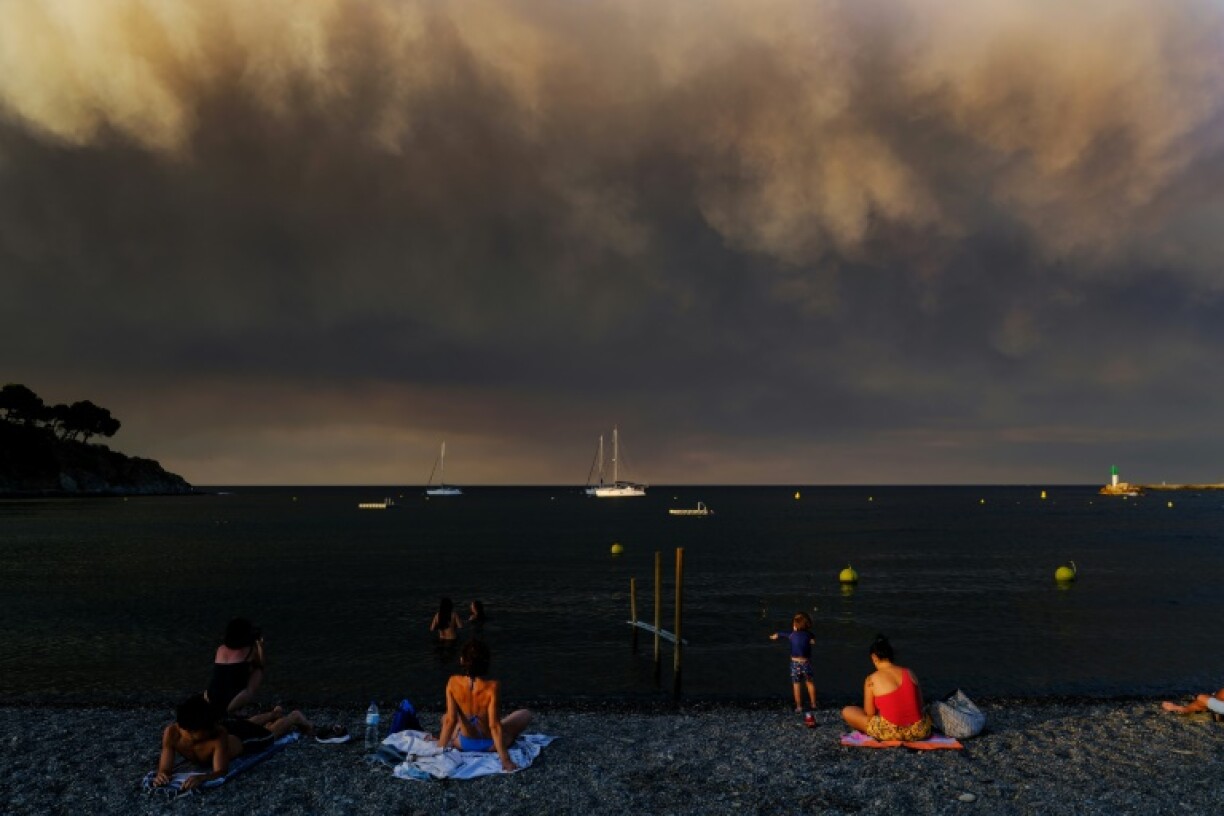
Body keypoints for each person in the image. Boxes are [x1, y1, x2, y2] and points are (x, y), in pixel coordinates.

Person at [149, 694, 315, 791]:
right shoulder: (171, 733)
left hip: (242, 741)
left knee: (270, 735)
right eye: (208, 728)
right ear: (191, 730)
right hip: (233, 729)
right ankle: (273, 714)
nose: (212, 728)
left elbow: (221, 770)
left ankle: (294, 717)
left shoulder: (216, 733)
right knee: (244, 723)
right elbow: (165, 768)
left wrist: (203, 778)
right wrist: (162, 775)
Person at [435, 639, 532, 772]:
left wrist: (438, 751)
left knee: (446, 717)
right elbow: (494, 726)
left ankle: (450, 738)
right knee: (525, 714)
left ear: (462, 660)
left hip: (463, 743)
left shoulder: (452, 682)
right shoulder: (492, 687)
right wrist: (505, 760)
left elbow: (450, 721)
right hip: (490, 745)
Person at [841, 634, 933, 741]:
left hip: (891, 733)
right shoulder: (909, 672)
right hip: (920, 731)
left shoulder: (871, 679)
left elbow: (870, 713)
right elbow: (920, 704)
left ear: (874, 657)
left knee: (847, 711)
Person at [205, 617, 265, 715]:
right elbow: (260, 663)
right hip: (233, 700)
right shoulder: (249, 650)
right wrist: (260, 646)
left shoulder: (220, 649)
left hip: (210, 696)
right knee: (258, 669)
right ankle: (236, 707)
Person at [769, 611, 818, 723]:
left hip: (795, 664)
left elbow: (781, 634)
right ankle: (813, 704)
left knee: (796, 685)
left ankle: (799, 706)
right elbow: (813, 639)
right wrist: (812, 640)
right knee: (810, 683)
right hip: (806, 663)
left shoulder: (791, 635)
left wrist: (775, 635)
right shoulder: (809, 634)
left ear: (795, 626)